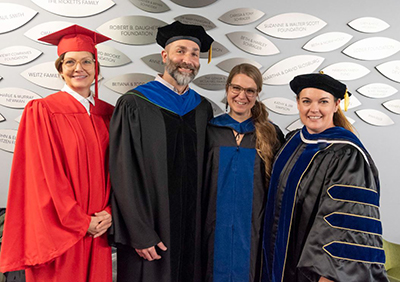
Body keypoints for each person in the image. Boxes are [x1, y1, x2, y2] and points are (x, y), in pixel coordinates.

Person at [0, 25, 114, 282]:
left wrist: (109, 212)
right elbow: (43, 176)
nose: (79, 68)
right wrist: (80, 222)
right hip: (61, 230)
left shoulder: (109, 113)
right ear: (60, 69)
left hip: (99, 230)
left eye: (86, 61)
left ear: (96, 67)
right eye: (70, 62)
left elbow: (120, 169)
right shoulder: (43, 111)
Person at [108, 21, 214, 282]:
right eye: (180, 51)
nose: (187, 60)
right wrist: (139, 232)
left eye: (193, 53)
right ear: (164, 56)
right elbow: (123, 171)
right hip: (150, 232)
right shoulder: (134, 104)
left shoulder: (201, 109)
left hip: (193, 232)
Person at [262, 73, 389, 282]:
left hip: (316, 275)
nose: (314, 109)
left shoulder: (347, 155)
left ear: (336, 104)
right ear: (297, 103)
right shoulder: (293, 142)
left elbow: (346, 229)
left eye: (323, 102)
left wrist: (328, 276)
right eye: (306, 101)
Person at [202, 64, 284, 281]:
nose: (242, 96)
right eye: (236, 88)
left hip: (253, 235)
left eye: (250, 90)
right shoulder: (209, 130)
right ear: (227, 89)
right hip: (211, 233)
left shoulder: (271, 134)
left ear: (257, 94)